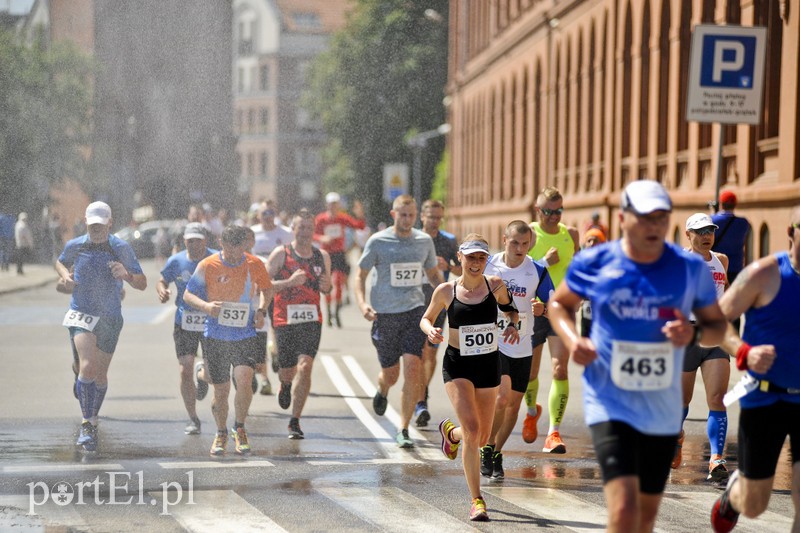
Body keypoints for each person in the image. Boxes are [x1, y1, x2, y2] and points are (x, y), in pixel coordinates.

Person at [547, 180, 727, 532]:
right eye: (644, 217)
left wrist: (693, 332)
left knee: (644, 517)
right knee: (625, 509)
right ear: (624, 217)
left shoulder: (688, 269)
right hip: (610, 399)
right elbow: (559, 303)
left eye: (661, 218)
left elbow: (717, 328)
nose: (653, 226)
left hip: (661, 404)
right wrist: (573, 340)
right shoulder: (597, 260)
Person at [709, 205, 800, 533]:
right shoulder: (764, 274)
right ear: (791, 233)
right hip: (766, 400)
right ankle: (736, 493)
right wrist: (744, 351)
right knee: (755, 503)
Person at [420, 234, 521, 521]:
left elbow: (510, 309)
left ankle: (451, 433)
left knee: (482, 436)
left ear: (486, 260)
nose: (476, 263)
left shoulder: (496, 285)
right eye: (471, 257)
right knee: (475, 430)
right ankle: (477, 500)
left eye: (481, 258)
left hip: (489, 364)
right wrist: (431, 330)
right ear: (460, 258)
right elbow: (426, 318)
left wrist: (514, 324)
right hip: (458, 366)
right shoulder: (446, 290)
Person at [56, 201, 148, 452]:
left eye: (101, 224)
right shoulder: (75, 245)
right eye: (92, 224)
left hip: (110, 317)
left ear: (110, 222)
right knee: (87, 365)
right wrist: (65, 276)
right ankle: (89, 424)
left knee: (100, 374)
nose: (97, 229)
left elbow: (142, 283)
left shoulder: (121, 248)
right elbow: (60, 262)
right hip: (81, 312)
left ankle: (92, 414)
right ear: (86, 222)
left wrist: (126, 275)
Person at [355, 194, 444, 448]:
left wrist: (451, 299)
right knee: (391, 374)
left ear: (416, 216)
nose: (407, 219)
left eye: (411, 215)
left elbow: (433, 274)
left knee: (413, 368)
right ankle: (383, 388)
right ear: (394, 215)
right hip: (385, 316)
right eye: (402, 214)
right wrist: (363, 304)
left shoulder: (424, 241)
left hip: (414, 312)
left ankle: (403, 428)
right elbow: (360, 275)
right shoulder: (378, 241)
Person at [183, 225, 273, 457]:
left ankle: (239, 428)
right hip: (215, 335)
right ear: (222, 245)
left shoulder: (254, 264)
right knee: (221, 390)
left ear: (245, 245)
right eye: (229, 249)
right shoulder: (208, 265)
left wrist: (261, 310)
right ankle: (221, 431)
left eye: (239, 249)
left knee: (244, 379)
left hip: (244, 334)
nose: (234, 254)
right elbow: (187, 295)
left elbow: (267, 289)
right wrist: (206, 306)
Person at [480, 221, 550, 481]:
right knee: (502, 397)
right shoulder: (489, 265)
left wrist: (544, 310)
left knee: (513, 406)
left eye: (524, 243)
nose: (520, 248)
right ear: (504, 239)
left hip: (522, 344)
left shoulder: (537, 270)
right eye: (514, 243)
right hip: (493, 342)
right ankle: (486, 447)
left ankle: (496, 451)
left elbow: (553, 303)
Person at [673, 213, 731, 482]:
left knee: (717, 398)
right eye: (700, 231)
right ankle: (677, 435)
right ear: (688, 235)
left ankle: (716, 458)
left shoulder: (722, 261)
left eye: (710, 230)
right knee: (682, 402)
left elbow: (725, 289)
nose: (706, 235)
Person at [266, 209, 332, 439]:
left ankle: (295, 421)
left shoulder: (321, 256)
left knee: (305, 366)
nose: (304, 232)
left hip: (312, 319)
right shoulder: (281, 254)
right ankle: (284, 385)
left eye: (308, 227)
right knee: (288, 370)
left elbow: (327, 287)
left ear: (314, 230)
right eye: (300, 227)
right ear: (292, 229)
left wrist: (326, 285)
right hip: (284, 320)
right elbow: (264, 286)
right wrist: (289, 282)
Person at [525, 186, 580, 452]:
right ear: (538, 210)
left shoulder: (570, 234)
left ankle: (553, 432)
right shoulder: (529, 234)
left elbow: (578, 270)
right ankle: (530, 412)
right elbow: (517, 268)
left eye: (558, 211)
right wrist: (544, 263)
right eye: (548, 211)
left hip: (562, 311)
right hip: (534, 310)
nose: (553, 217)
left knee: (560, 368)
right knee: (531, 372)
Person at [156, 222, 216, 435]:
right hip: (184, 321)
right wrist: (162, 291)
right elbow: (162, 280)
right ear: (184, 241)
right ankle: (193, 418)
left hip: (211, 321)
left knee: (211, 374)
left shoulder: (216, 259)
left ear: (205, 241)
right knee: (184, 369)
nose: (193, 245)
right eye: (190, 241)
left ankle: (203, 375)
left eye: (198, 241)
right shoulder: (177, 260)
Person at [414, 199, 461, 427]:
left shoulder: (449, 241)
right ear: (422, 217)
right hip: (411, 303)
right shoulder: (412, 239)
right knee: (416, 355)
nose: (434, 221)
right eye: (430, 216)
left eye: (438, 217)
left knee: (429, 354)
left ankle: (421, 398)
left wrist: (448, 267)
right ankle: (419, 398)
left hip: (438, 303)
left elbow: (465, 268)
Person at [249, 202, 292, 395]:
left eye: (271, 212)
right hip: (257, 290)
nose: (268, 216)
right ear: (258, 215)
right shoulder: (252, 233)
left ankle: (276, 354)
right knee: (260, 329)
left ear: (276, 214)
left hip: (279, 289)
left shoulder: (286, 234)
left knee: (278, 327)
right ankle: (264, 374)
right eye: (264, 213)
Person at [314, 192, 366, 328]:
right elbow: (312, 234)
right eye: (331, 204)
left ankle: (336, 311)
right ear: (327, 205)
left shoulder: (342, 218)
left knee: (339, 282)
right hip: (325, 254)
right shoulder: (321, 219)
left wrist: (360, 214)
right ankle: (329, 313)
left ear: (338, 205)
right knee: (327, 284)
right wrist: (322, 238)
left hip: (339, 254)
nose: (333, 207)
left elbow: (359, 226)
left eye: (335, 204)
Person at [711, 190, 751, 285]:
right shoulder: (743, 222)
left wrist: (713, 212)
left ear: (721, 204)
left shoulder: (712, 220)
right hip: (736, 266)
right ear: (735, 204)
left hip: (717, 266)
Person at [580, 228, 606, 336]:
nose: (591, 244)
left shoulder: (608, 262)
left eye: (595, 240)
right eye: (589, 241)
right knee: (586, 338)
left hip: (603, 308)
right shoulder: (581, 263)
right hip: (587, 307)